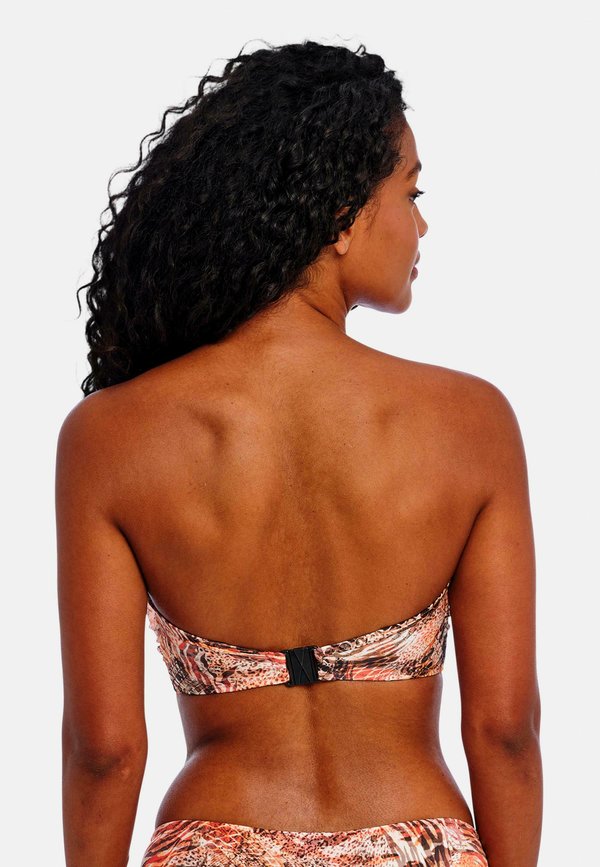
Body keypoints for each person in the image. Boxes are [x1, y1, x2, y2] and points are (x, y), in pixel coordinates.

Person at [56, 39, 542, 867]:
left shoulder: (109, 438)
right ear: (344, 215)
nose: (421, 224)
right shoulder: (471, 423)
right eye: (411, 193)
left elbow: (103, 751)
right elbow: (504, 730)